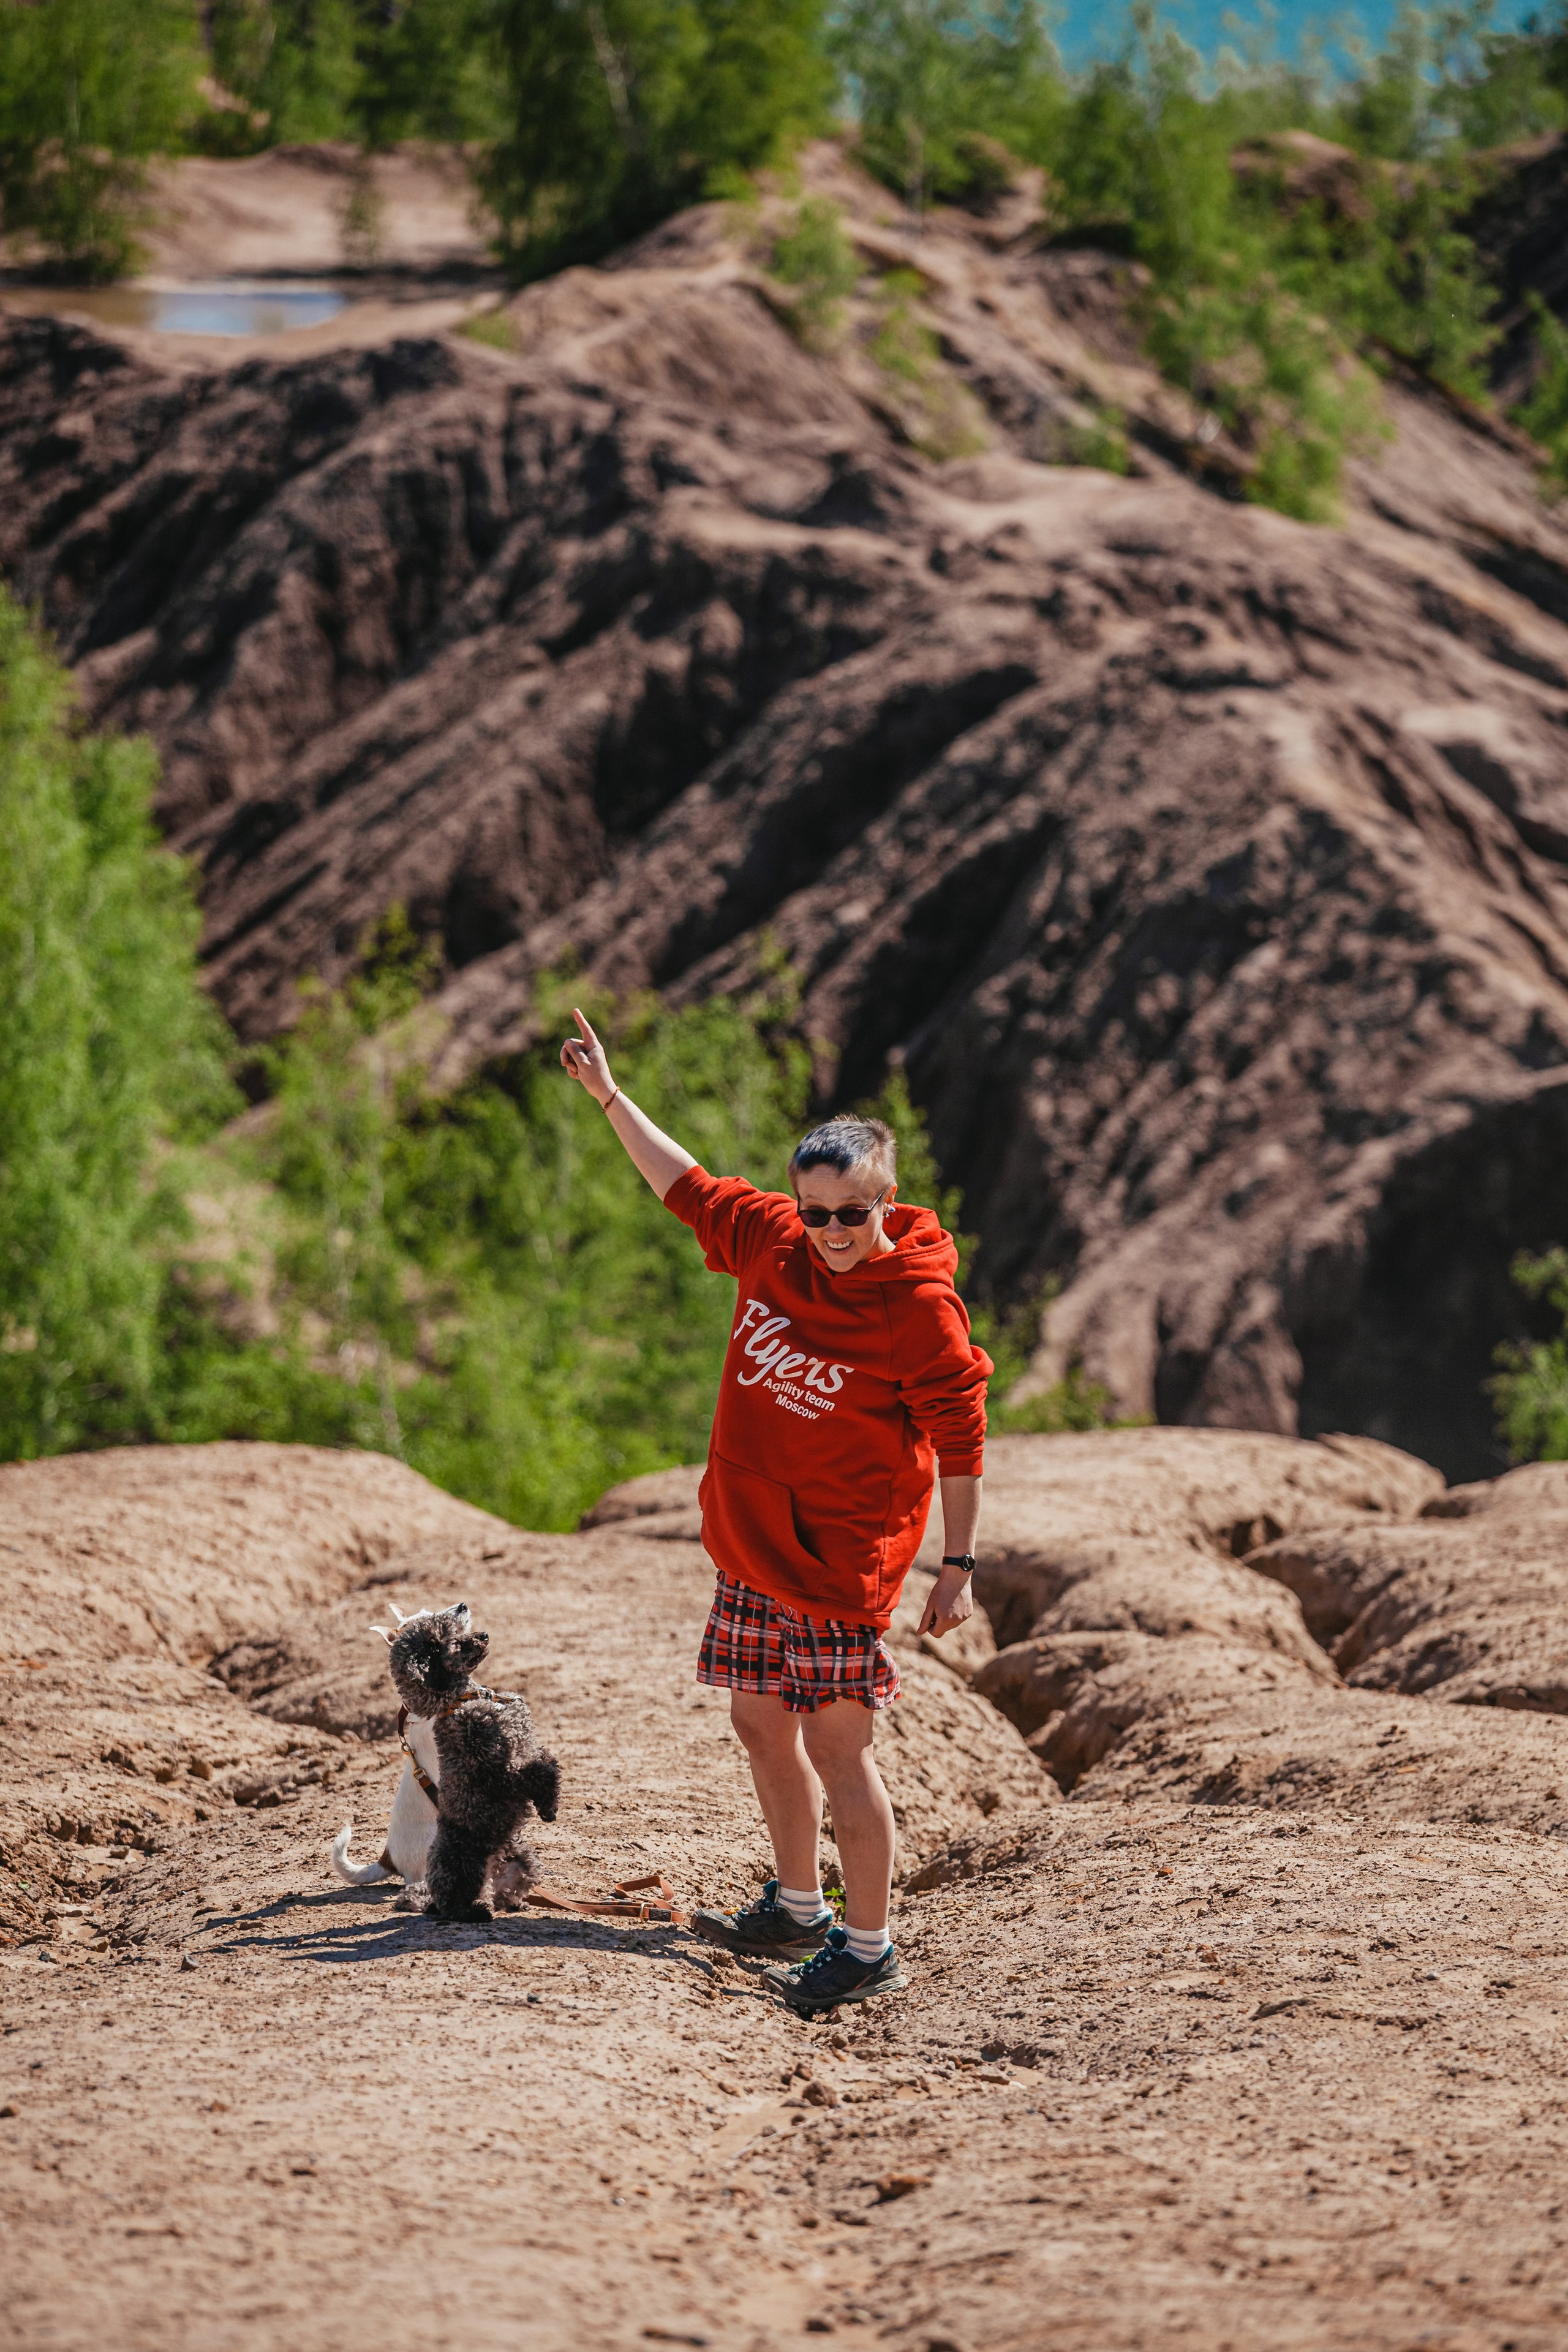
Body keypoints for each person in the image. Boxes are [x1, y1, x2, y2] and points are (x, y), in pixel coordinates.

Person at [560, 1007, 990, 2016]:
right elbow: (686, 1186)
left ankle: (868, 1946)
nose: (833, 1232)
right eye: (817, 1212)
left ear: (887, 1201)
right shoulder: (772, 1240)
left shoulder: (916, 1305)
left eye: (853, 1214)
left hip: (840, 1563)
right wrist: (610, 1097)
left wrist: (958, 1566)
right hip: (753, 1546)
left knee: (840, 1750)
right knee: (759, 1723)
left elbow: (962, 1439)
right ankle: (798, 1906)